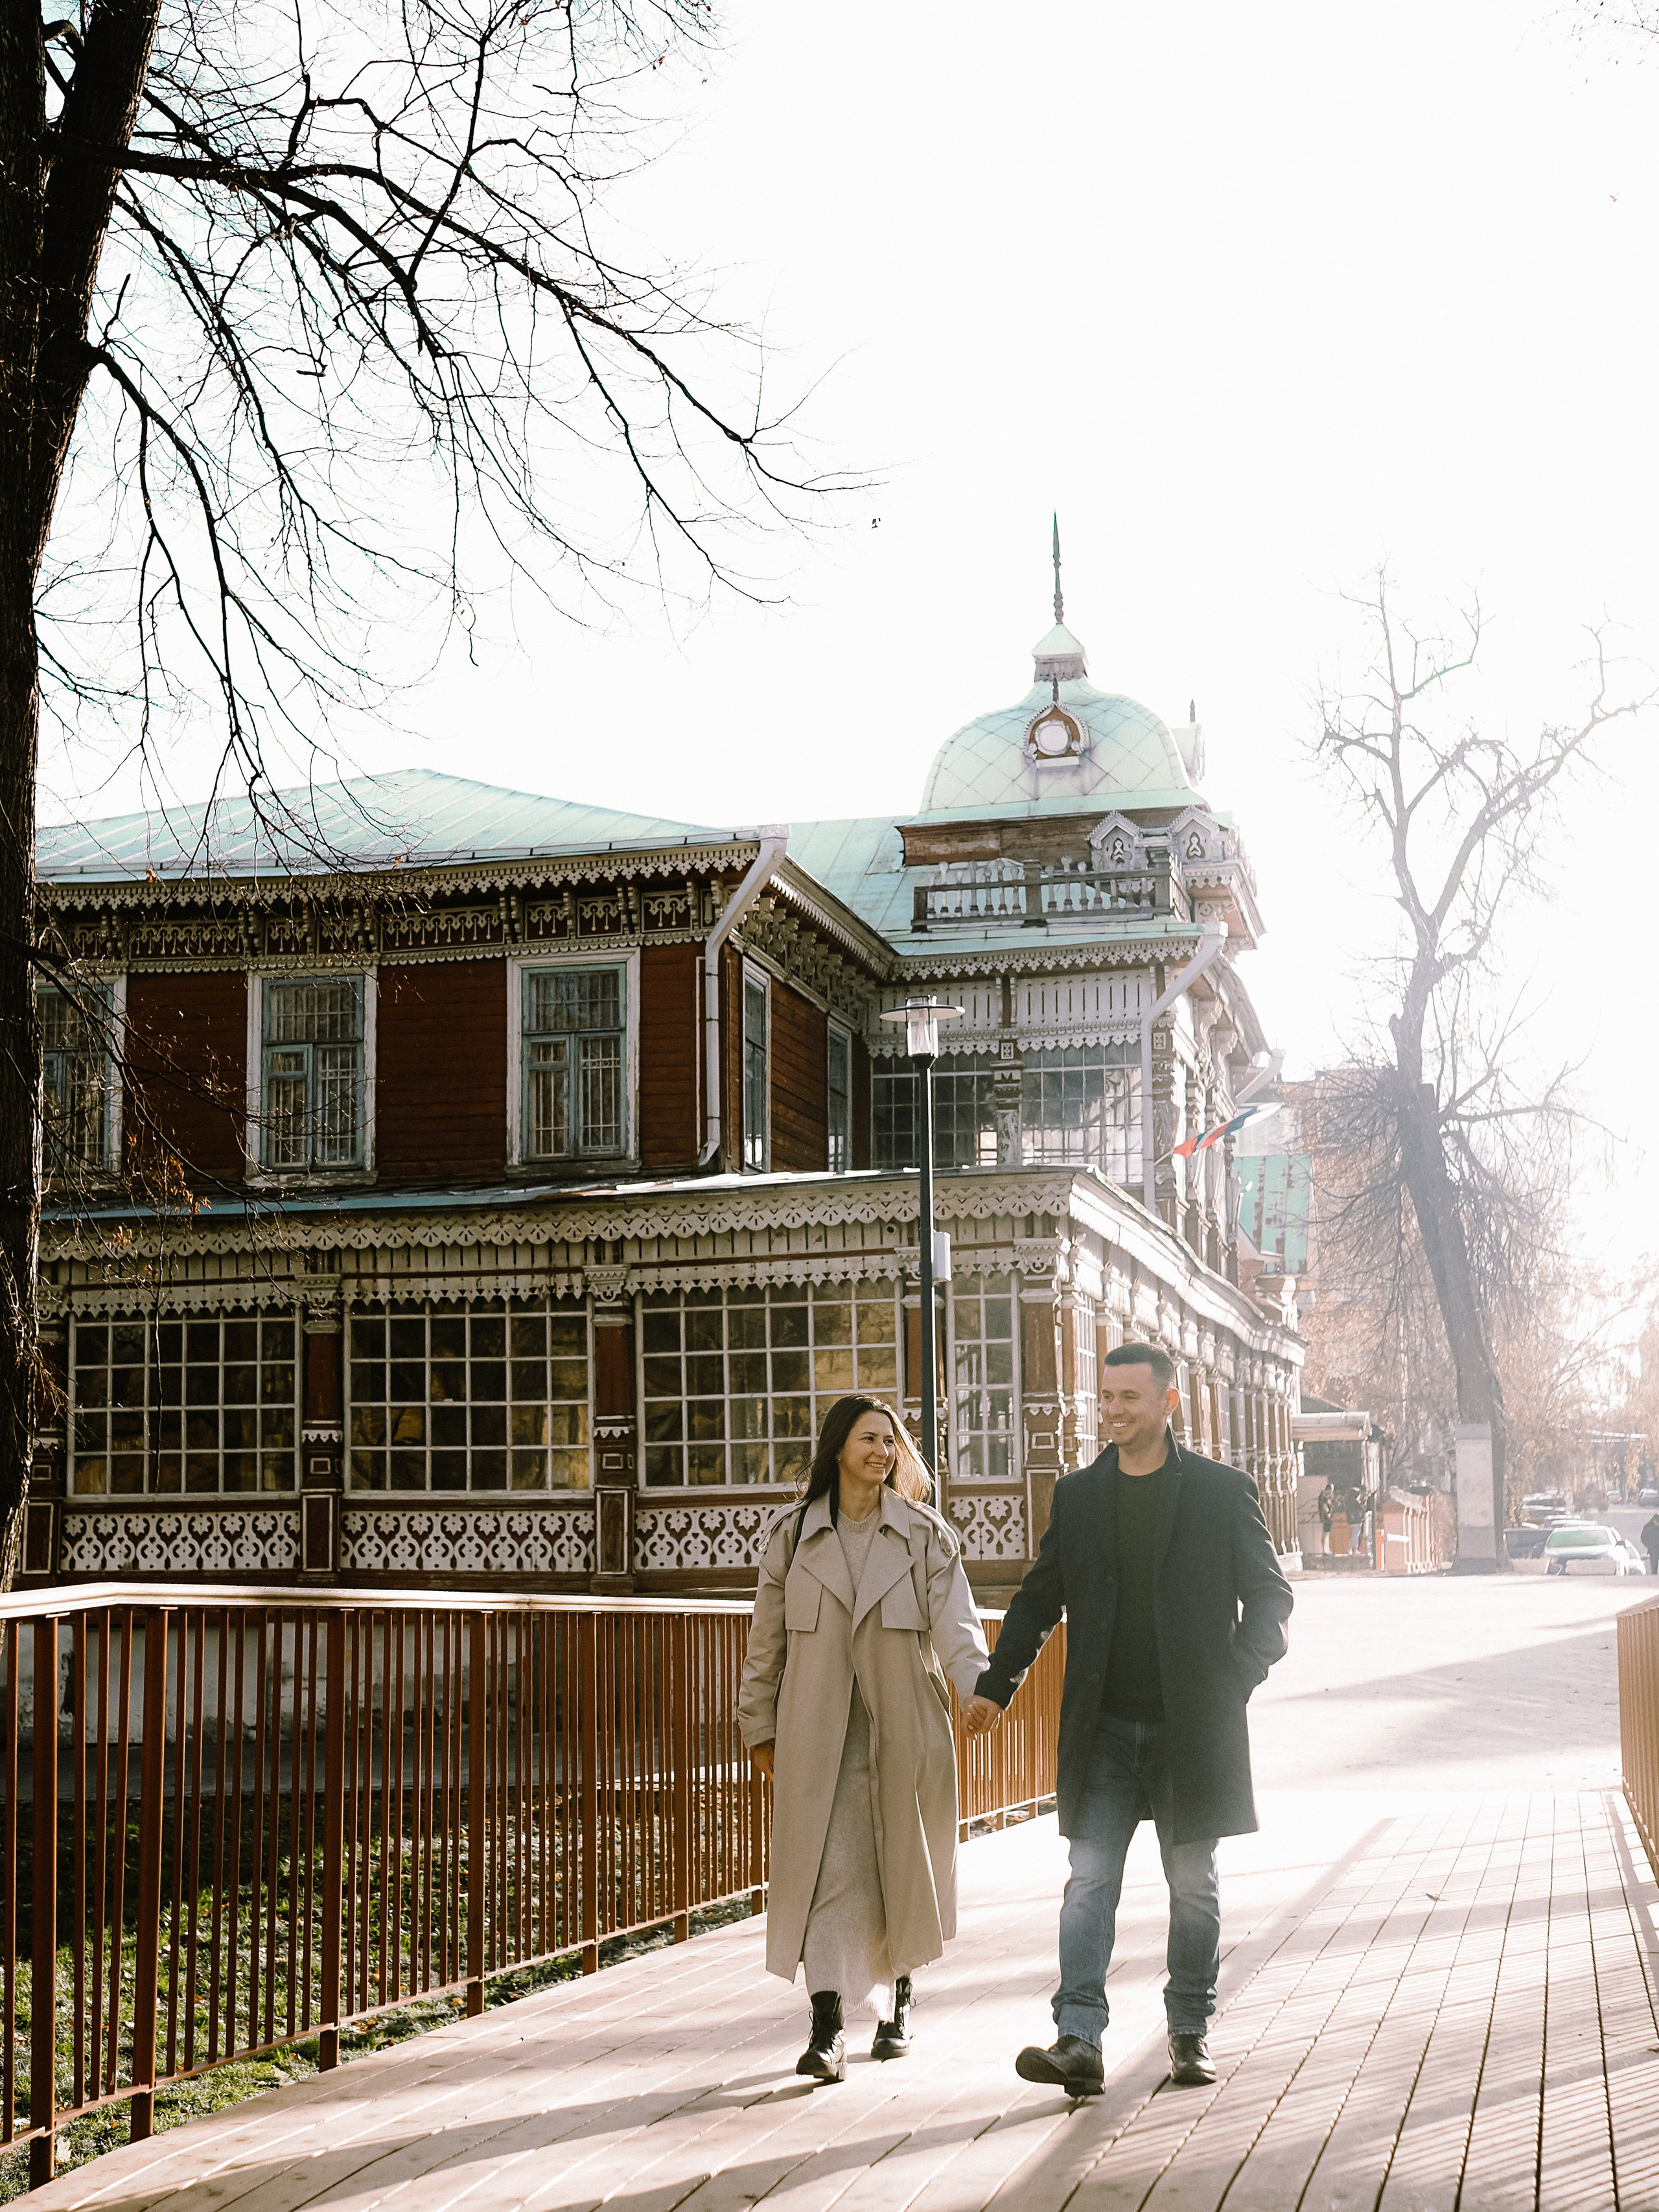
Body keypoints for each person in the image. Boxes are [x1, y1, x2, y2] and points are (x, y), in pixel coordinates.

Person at [963, 1342, 1294, 2099]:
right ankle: (1078, 2038)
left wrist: (1231, 1678)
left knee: (1194, 1888)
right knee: (1088, 1881)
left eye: (1128, 1398)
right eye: (1105, 1397)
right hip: (1103, 1729)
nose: (1111, 1410)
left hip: (1192, 1730)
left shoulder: (1220, 1490)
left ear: (1167, 1403)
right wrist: (995, 1684)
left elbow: (1271, 1599)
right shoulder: (1078, 1496)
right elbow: (1040, 1596)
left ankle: (1188, 2031)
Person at [737, 1394, 997, 2084]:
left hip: (903, 1726)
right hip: (817, 1733)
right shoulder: (793, 1536)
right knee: (827, 1871)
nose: (883, 1451)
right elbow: (764, 1643)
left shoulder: (923, 1533)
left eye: (891, 1440)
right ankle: (826, 2027)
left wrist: (976, 1687)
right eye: (868, 1438)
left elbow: (958, 1624)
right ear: (837, 1447)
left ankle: (899, 2001)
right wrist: (757, 1723)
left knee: (899, 1866)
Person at [1642, 1510, 1659, 1577]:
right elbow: (1643, 1537)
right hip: (1653, 1550)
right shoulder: (1648, 1527)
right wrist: (1649, 1546)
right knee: (1654, 1564)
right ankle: (1654, 1575)